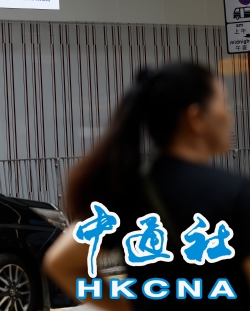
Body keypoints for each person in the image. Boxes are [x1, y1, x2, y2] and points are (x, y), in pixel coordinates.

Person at [43, 63, 250, 310]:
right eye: (223, 103)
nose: (229, 115)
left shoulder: (126, 193)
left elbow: (60, 264)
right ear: (195, 118)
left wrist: (129, 306)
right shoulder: (236, 193)